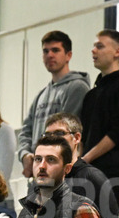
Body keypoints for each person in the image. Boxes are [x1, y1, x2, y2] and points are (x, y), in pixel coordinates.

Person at [79, 30, 119, 210]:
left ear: (117, 52)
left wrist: (86, 159)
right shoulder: (92, 95)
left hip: (114, 174)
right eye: (93, 46)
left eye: (100, 46)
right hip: (88, 174)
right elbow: (83, 136)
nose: (93, 51)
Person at [18, 31, 90, 179]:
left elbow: (65, 134)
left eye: (55, 50)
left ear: (68, 55)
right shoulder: (41, 95)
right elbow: (25, 132)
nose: (50, 55)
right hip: (39, 171)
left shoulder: (77, 87)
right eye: (46, 51)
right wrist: (26, 155)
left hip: (63, 174)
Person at [44, 112, 119, 218]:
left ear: (77, 138)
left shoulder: (92, 177)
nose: (52, 140)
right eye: (47, 135)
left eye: (59, 133)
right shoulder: (46, 180)